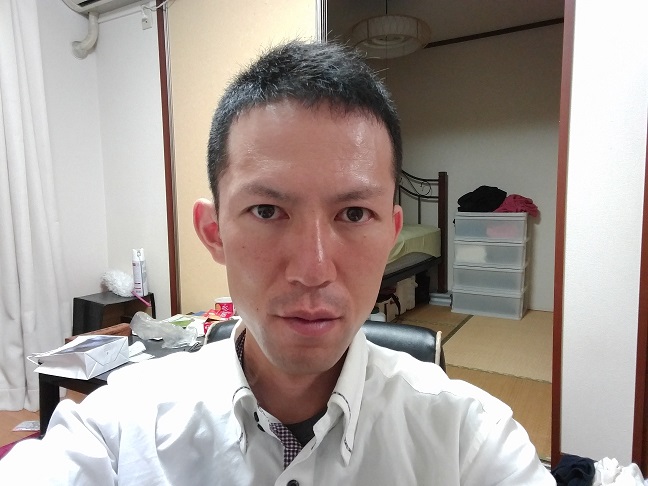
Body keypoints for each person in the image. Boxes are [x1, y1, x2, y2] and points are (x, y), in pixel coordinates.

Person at [0, 41, 555, 485]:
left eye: (354, 213)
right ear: (213, 231)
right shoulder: (119, 429)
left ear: (391, 234)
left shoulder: (468, 440)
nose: (312, 269)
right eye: (267, 211)